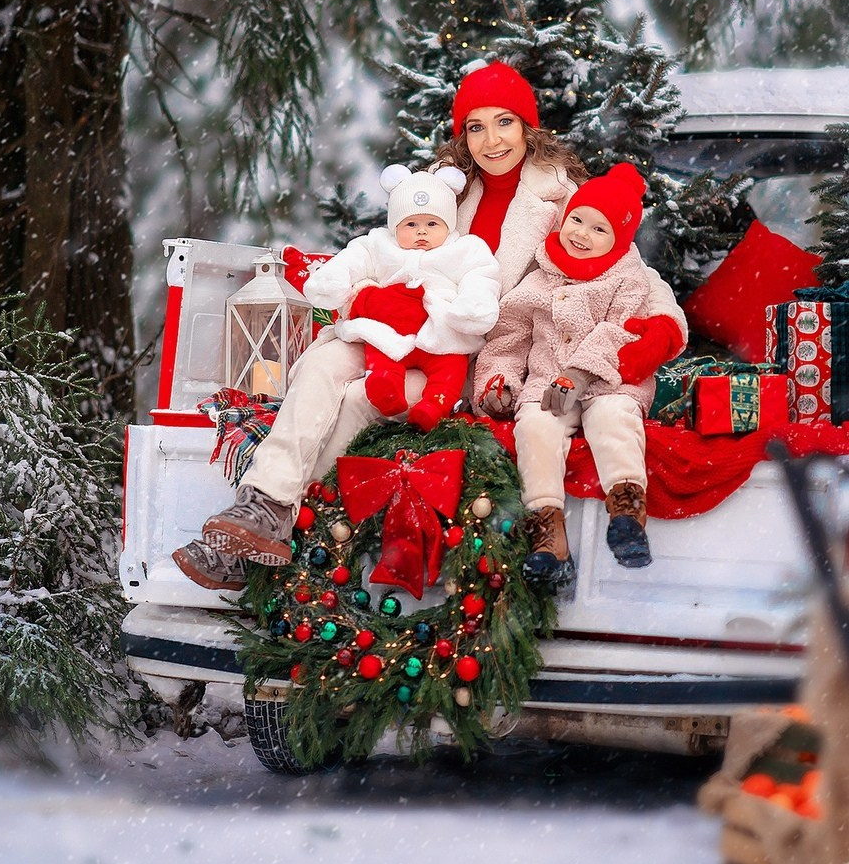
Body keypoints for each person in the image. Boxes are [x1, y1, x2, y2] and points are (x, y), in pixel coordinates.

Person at [171, 61, 687, 591]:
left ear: (528, 127)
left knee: (357, 402)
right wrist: (370, 297)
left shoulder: (562, 198)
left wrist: (659, 331)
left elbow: (632, 272)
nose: (492, 140)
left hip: (470, 360)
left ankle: (264, 539)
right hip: (401, 332)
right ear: (462, 135)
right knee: (324, 363)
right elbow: (389, 251)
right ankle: (261, 510)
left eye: (504, 122)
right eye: (476, 126)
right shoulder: (447, 191)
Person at [472, 161, 665, 592]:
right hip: (545, 382)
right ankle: (548, 535)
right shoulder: (539, 278)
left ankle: (627, 512)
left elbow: (625, 328)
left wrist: (580, 372)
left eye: (600, 230)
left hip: (607, 380)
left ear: (619, 240)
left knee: (615, 418)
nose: (581, 234)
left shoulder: (628, 279)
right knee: (535, 427)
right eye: (577, 219)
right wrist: (497, 383)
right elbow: (508, 339)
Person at [301, 163, 500, 432]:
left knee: (451, 369)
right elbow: (353, 259)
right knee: (379, 351)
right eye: (411, 224)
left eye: (432, 223)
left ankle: (434, 406)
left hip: (440, 335)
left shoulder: (465, 248)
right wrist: (332, 280)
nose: (421, 231)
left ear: (448, 224)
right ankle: (384, 386)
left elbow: (481, 276)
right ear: (395, 225)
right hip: (391, 333)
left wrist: (473, 306)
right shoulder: (379, 244)